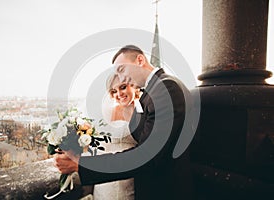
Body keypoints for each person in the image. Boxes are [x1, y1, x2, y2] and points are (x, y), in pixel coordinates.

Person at [54, 45, 194, 200]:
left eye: (121, 69)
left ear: (140, 60)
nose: (121, 78)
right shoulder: (158, 88)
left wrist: (81, 165)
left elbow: (147, 156)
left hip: (165, 190)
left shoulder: (165, 89)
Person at [93, 74, 140, 200]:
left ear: (133, 86)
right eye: (114, 91)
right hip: (107, 175)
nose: (119, 94)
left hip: (132, 176)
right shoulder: (108, 112)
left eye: (123, 87)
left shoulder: (144, 111)